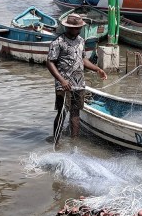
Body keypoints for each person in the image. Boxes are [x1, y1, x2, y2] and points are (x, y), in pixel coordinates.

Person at [46, 13, 107, 142]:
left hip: (79, 83)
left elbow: (83, 59)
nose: (79, 30)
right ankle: (56, 142)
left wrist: (97, 69)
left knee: (76, 113)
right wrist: (61, 80)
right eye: (76, 28)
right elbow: (50, 62)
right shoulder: (58, 42)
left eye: (80, 28)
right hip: (64, 84)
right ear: (68, 27)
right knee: (62, 113)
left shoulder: (81, 40)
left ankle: (74, 144)